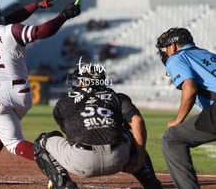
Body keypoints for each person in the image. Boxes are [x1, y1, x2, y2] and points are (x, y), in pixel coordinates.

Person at [0, 0, 81, 186]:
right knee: (0, 129)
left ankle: (53, 166)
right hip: (21, 94)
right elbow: (42, 31)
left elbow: (9, 18)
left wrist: (35, 5)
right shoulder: (12, 31)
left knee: (12, 142)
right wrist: (63, 16)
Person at [33, 61, 163, 189]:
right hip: (117, 158)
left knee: (42, 141)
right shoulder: (117, 97)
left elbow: (69, 132)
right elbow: (137, 121)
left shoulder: (64, 102)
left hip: (81, 161)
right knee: (131, 135)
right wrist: (139, 157)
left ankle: (63, 184)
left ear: (83, 81)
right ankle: (152, 184)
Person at [156, 27, 216, 189]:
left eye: (165, 48)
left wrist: (178, 120)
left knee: (172, 139)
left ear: (173, 46)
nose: (165, 52)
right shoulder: (209, 55)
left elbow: (190, 89)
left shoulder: (176, 58)